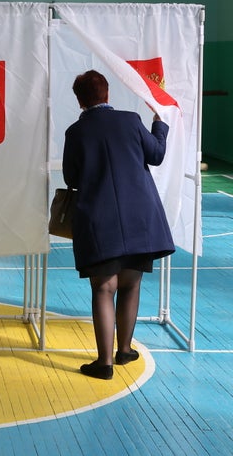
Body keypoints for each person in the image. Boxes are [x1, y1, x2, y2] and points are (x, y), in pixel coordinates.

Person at [62, 70, 176, 380]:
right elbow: (157, 154)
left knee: (103, 287)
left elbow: (71, 178)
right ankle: (124, 350)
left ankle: (104, 363)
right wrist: (159, 123)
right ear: (107, 94)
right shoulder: (131, 120)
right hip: (140, 217)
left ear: (80, 101)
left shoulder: (76, 132)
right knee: (130, 283)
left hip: (100, 220)